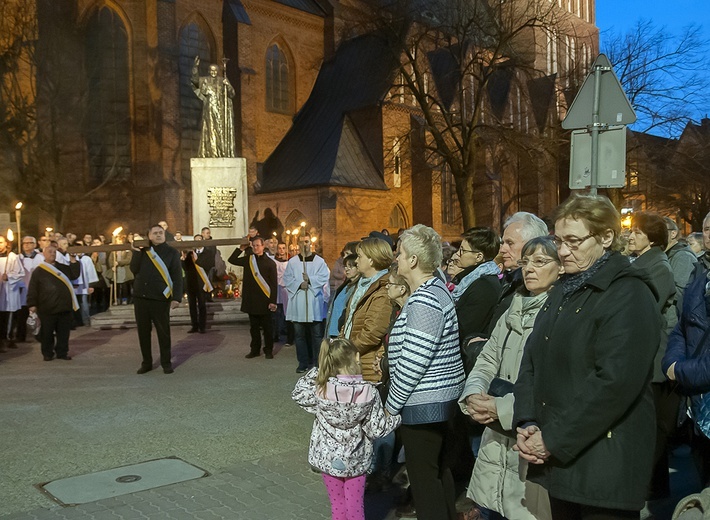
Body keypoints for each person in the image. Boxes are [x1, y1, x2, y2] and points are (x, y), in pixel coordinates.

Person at [513, 194, 661, 519]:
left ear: (607, 237)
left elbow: (614, 383)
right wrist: (527, 419)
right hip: (563, 459)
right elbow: (533, 357)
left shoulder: (629, 294)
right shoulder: (566, 288)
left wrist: (551, 438)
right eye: (558, 240)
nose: (562, 251)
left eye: (574, 241)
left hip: (604, 467)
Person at [460, 237, 561, 520]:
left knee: (525, 510)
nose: (529, 269)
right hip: (495, 435)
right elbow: (488, 358)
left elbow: (552, 383)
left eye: (540, 262)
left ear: (561, 267)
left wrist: (500, 408)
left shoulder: (559, 313)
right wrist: (473, 394)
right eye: (526, 262)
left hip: (528, 433)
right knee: (494, 507)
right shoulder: (512, 308)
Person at [385, 224, 465, 520]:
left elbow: (412, 363)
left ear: (414, 261)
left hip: (424, 404)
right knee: (436, 476)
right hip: (436, 403)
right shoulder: (434, 290)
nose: (397, 258)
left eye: (401, 253)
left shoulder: (424, 300)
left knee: (424, 484)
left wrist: (391, 407)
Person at [292, 338, 401, 520]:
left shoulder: (321, 390)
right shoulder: (368, 392)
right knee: (355, 506)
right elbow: (376, 430)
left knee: (337, 504)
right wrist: (396, 419)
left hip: (328, 459)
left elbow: (298, 393)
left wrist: (320, 369)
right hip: (356, 461)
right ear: (357, 358)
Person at [627, 212, 677, 501]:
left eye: (637, 232)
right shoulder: (642, 262)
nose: (631, 236)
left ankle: (650, 489)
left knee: (654, 427)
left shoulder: (658, 266)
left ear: (652, 238)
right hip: (646, 354)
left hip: (654, 358)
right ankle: (654, 488)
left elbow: (645, 308)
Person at [663, 210, 710, 488]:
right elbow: (682, 324)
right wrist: (672, 361)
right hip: (698, 400)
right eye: (706, 228)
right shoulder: (700, 269)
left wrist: (680, 370)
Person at [131, 224, 183, 374]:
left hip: (160, 298)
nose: (159, 235)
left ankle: (166, 362)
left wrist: (176, 298)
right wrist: (135, 253)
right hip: (141, 297)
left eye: (161, 232)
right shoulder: (143, 251)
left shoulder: (172, 252)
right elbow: (134, 269)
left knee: (163, 332)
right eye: (155, 233)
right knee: (143, 332)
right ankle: (146, 362)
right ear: (149, 236)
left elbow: (177, 276)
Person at [485, 212, 548, 337]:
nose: (502, 249)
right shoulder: (510, 279)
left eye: (510, 243)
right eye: (503, 243)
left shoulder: (536, 286)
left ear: (531, 244)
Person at [342, 238, 394, 382]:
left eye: (359, 256)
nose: (356, 261)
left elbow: (372, 333)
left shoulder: (383, 289)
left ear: (371, 260)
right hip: (354, 358)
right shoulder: (363, 285)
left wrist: (346, 350)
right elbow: (349, 321)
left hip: (367, 363)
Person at [284, 235, 330, 373]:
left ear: (311, 243)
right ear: (297, 244)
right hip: (298, 303)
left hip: (313, 302)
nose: (305, 244)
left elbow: (324, 277)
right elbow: (287, 278)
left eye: (307, 242)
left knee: (316, 335)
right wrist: (299, 284)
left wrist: (309, 280)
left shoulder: (319, 261)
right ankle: (303, 362)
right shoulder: (292, 262)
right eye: (302, 242)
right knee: (299, 336)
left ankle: (317, 363)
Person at [27, 243, 80, 361]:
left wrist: (73, 260)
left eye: (54, 252)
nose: (52, 254)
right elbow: (33, 288)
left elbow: (74, 274)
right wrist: (32, 304)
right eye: (50, 252)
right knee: (47, 333)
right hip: (47, 307)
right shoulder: (39, 271)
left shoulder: (63, 268)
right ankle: (47, 353)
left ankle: (62, 352)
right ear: (44, 254)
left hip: (63, 307)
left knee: (63, 333)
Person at [228, 236, 278, 358]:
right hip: (251, 300)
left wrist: (273, 301)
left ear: (263, 246)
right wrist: (240, 249)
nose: (255, 248)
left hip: (265, 300)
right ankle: (254, 350)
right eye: (254, 245)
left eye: (258, 245)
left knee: (267, 328)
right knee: (254, 328)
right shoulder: (248, 260)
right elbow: (232, 260)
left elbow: (273, 284)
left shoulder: (270, 263)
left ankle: (268, 350)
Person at [449, 227, 501, 344]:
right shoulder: (471, 279)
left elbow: (465, 329)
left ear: (478, 257)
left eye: (462, 250)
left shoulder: (484, 287)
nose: (457, 254)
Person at [191, 56, 235, 158]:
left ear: (218, 71)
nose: (213, 72)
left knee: (221, 132)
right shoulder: (205, 80)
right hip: (210, 110)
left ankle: (222, 152)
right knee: (211, 131)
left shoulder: (222, 80)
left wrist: (227, 85)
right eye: (211, 70)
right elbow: (195, 81)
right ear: (208, 71)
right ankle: (212, 152)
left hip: (222, 111)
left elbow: (232, 94)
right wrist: (195, 68)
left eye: (215, 70)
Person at [15, 236, 44, 343]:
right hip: (23, 289)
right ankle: (20, 335)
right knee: (22, 314)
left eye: (29, 243)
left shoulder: (40, 258)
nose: (26, 245)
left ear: (35, 244)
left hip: (37, 289)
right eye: (24, 243)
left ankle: (40, 334)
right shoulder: (18, 258)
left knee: (38, 313)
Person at [325, 253, 360, 339]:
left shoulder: (358, 287)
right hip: (333, 331)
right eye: (345, 266)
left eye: (350, 267)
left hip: (342, 333)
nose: (347, 269)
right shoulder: (345, 285)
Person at [182, 235, 212, 334]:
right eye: (195, 241)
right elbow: (185, 268)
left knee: (202, 305)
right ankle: (194, 326)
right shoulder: (190, 253)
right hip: (191, 282)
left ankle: (202, 327)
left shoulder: (208, 253)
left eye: (199, 240)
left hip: (201, 283)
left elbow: (208, 265)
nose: (197, 242)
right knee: (192, 306)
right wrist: (183, 259)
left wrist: (197, 260)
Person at [664, 217, 697, 305]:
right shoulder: (665, 254)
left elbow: (681, 292)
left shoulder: (683, 257)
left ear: (673, 233)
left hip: (674, 316)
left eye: (661, 231)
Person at [0, 236, 25, 351]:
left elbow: (20, 273)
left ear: (6, 243)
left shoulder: (12, 257)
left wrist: (9, 277)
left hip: (9, 291)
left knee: (8, 316)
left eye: (1, 242)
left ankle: (9, 338)